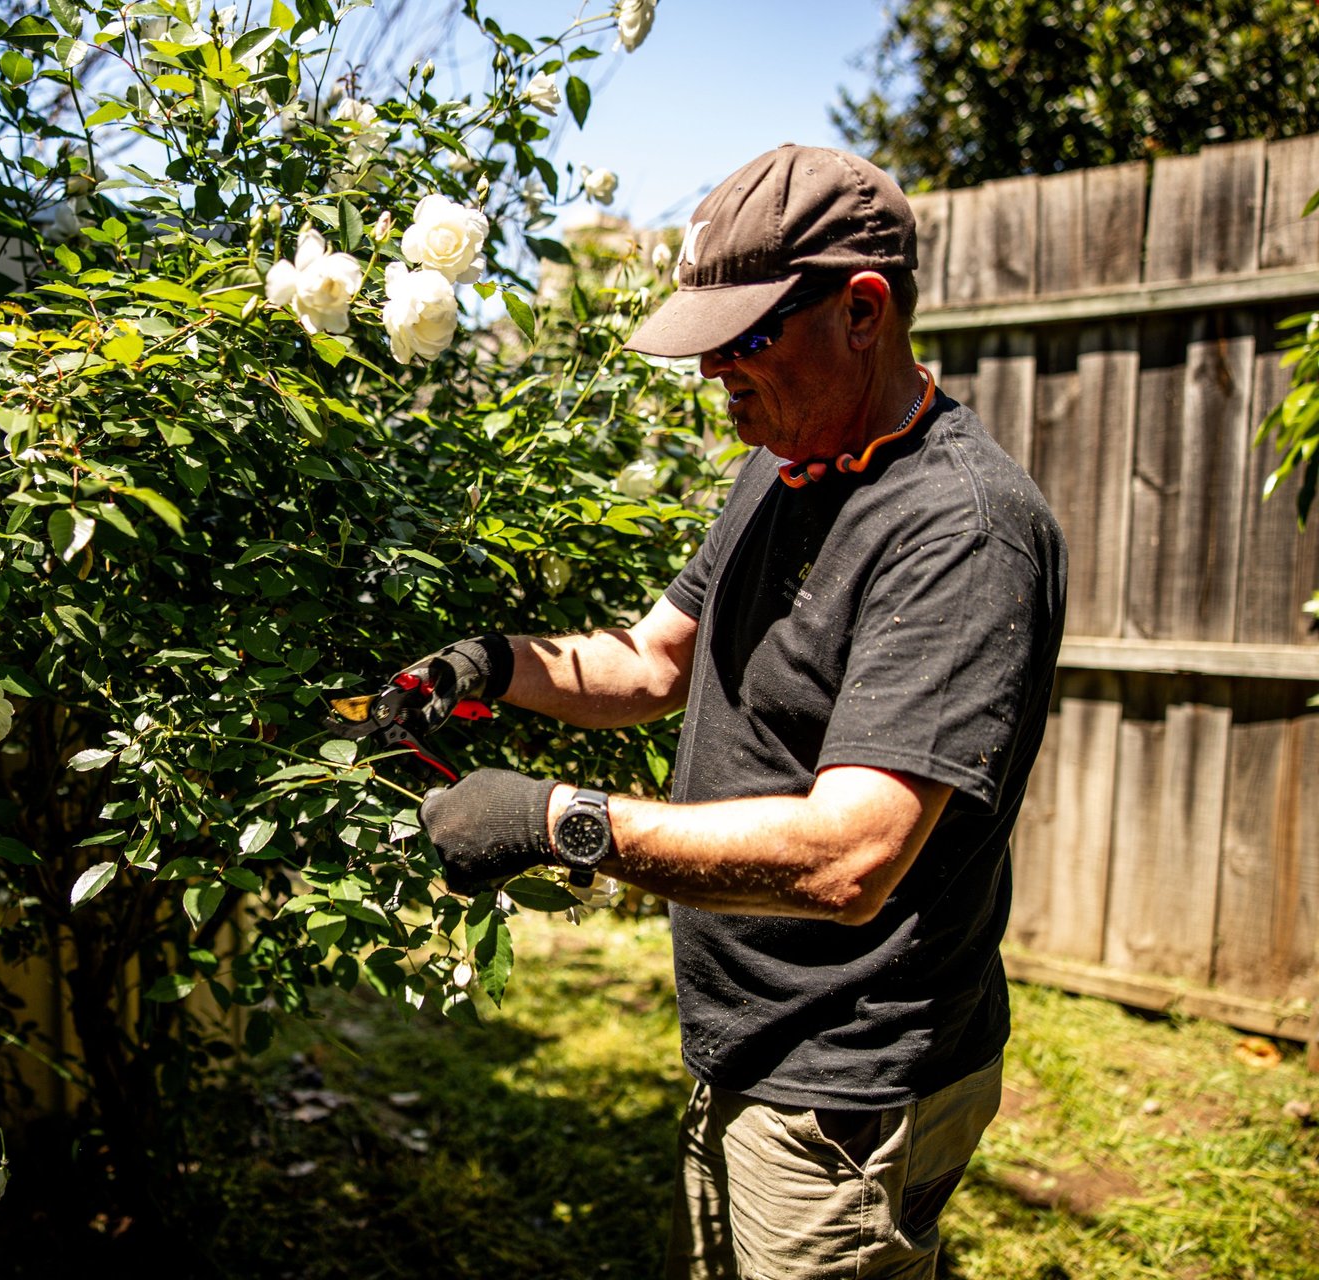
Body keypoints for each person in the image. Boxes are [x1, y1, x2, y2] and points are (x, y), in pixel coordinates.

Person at [409, 145, 1068, 1279]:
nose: (717, 367)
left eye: (749, 333)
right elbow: (652, 659)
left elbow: (849, 856)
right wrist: (485, 662)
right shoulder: (791, 458)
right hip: (747, 1041)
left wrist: (556, 820)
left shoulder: (960, 530)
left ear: (865, 311)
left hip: (847, 1086)